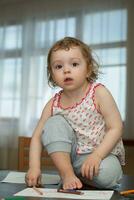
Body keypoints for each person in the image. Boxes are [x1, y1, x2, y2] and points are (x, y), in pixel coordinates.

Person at [25, 37, 125, 190]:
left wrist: (97, 156)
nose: (66, 70)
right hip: (71, 157)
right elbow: (37, 137)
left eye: (74, 64)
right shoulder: (53, 104)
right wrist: (34, 167)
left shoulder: (99, 93)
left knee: (109, 174)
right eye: (58, 66)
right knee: (53, 122)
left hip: (102, 154)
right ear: (51, 74)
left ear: (89, 69)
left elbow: (116, 127)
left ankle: (77, 174)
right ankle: (67, 173)